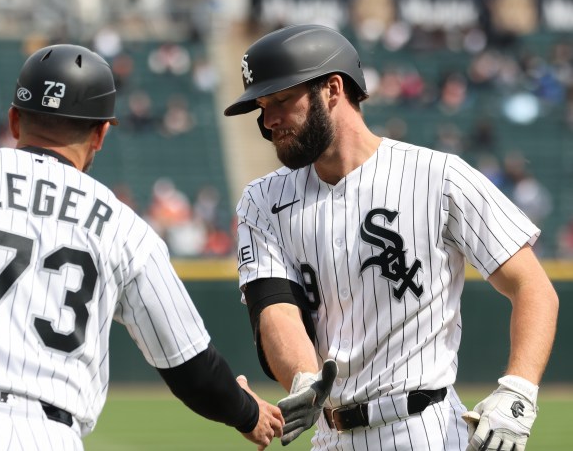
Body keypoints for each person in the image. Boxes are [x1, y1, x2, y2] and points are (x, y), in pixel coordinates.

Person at [223, 24, 559, 451]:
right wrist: (304, 379)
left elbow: (532, 286)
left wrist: (519, 390)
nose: (268, 121)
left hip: (425, 429)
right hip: (329, 436)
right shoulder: (261, 199)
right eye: (262, 106)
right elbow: (275, 308)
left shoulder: (439, 176)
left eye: (281, 101)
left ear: (331, 89)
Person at [0, 44, 283, 450]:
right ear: (101, 133)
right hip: (46, 434)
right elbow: (191, 366)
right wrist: (247, 412)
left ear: (14, 119)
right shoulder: (124, 226)